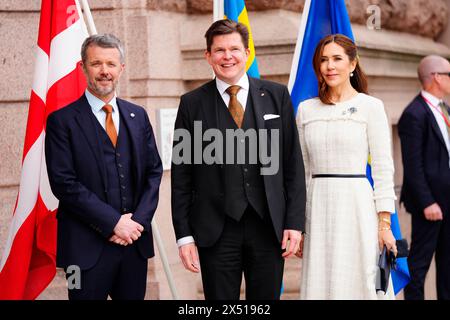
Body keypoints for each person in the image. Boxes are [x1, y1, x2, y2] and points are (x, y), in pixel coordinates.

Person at [171, 19, 306, 300]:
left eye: (234, 48)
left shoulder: (276, 96)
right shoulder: (192, 103)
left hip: (268, 227)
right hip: (215, 231)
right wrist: (184, 236)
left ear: (247, 52)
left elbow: (292, 165)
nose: (227, 56)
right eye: (219, 50)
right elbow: (182, 176)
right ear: (208, 56)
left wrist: (294, 222)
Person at [45, 34, 163, 300]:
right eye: (96, 63)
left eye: (111, 64)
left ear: (121, 68)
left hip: (134, 245)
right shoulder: (61, 121)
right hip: (81, 251)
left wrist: (135, 224)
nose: (104, 71)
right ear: (83, 67)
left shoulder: (138, 115)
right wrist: (113, 224)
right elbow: (63, 183)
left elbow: (153, 173)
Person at [296, 34, 398, 299]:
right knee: (321, 282)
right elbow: (302, 172)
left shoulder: (371, 107)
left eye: (337, 59)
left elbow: (383, 168)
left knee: (358, 280)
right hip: (317, 208)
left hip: (357, 207)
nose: (330, 66)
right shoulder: (306, 110)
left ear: (352, 64)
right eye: (324, 60)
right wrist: (300, 223)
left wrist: (384, 224)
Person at [398, 55, 450, 300]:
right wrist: (428, 202)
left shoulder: (444, 109)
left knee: (448, 267)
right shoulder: (414, 114)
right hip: (429, 206)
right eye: (449, 74)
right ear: (436, 78)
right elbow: (413, 165)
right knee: (419, 266)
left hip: (447, 202)